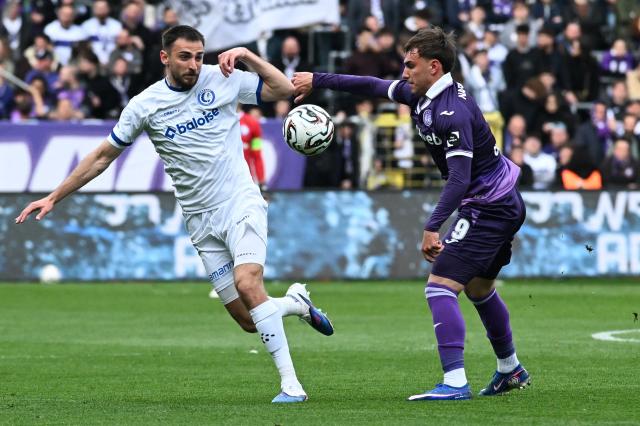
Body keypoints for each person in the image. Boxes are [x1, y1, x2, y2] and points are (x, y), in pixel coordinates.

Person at [15, 25, 334, 404]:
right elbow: (102, 157)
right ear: (165, 57)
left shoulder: (224, 78)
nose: (194, 65)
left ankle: (291, 386)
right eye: (185, 56)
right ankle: (296, 304)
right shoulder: (145, 105)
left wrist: (247, 55)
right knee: (250, 320)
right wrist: (54, 196)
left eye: (199, 56)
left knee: (249, 283)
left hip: (240, 201)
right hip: (199, 219)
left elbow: (284, 90)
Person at [293, 26, 530, 401]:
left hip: (488, 205)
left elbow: (459, 177)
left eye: (410, 65)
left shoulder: (452, 111)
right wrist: (317, 79)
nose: (404, 72)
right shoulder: (423, 95)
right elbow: (371, 85)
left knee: (439, 287)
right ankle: (510, 369)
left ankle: (454, 382)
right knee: (479, 288)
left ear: (434, 67)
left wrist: (432, 227)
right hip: (501, 199)